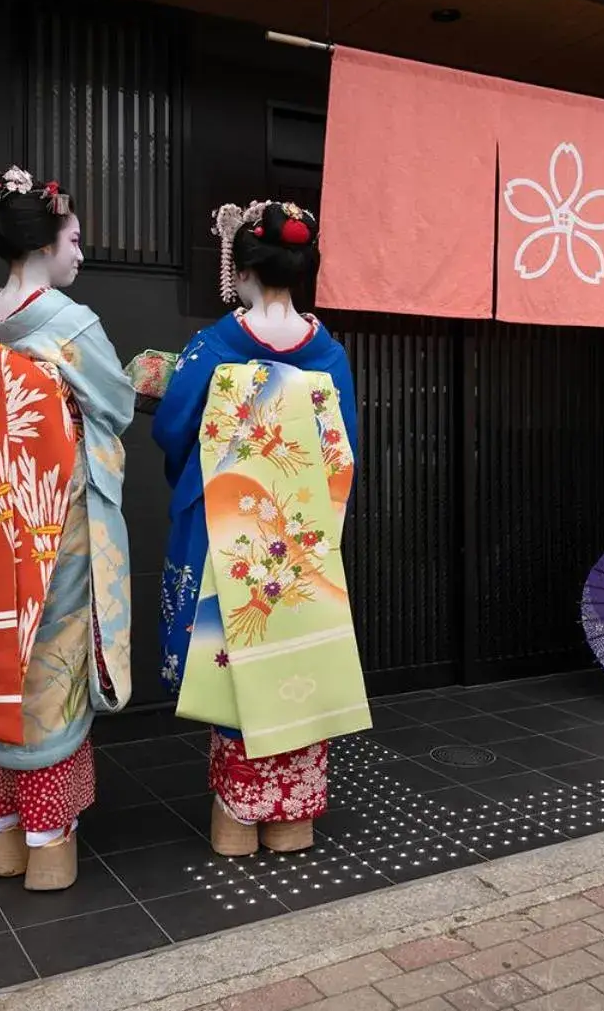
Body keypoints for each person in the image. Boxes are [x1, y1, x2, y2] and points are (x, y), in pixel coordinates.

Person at [0, 166, 134, 892]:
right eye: (74, 238)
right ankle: (50, 844)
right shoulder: (71, 325)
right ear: (44, 244)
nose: (80, 252)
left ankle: (0, 838)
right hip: (53, 522)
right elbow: (116, 404)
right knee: (53, 660)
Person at [153, 200, 369, 857]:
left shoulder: (216, 344)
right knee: (295, 660)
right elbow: (344, 450)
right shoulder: (327, 353)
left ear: (242, 271)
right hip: (297, 542)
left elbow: (171, 427)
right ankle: (292, 818)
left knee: (229, 661)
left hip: (228, 534)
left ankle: (235, 820)